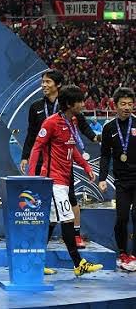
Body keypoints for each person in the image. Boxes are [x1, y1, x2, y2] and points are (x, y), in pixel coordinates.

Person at [25, 85, 103, 276]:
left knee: (51, 223)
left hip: (64, 180)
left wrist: (86, 167)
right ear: (69, 104)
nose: (83, 104)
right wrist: (32, 176)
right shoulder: (51, 123)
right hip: (53, 181)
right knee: (68, 219)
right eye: (80, 101)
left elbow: (72, 148)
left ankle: (34, 262)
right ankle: (79, 264)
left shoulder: (72, 121)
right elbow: (37, 147)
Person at [99, 87, 135, 271]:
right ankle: (122, 252)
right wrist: (102, 178)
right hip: (121, 181)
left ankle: (134, 254)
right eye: (123, 104)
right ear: (115, 105)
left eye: (130, 104)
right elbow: (105, 155)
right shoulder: (109, 128)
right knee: (122, 217)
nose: (127, 107)